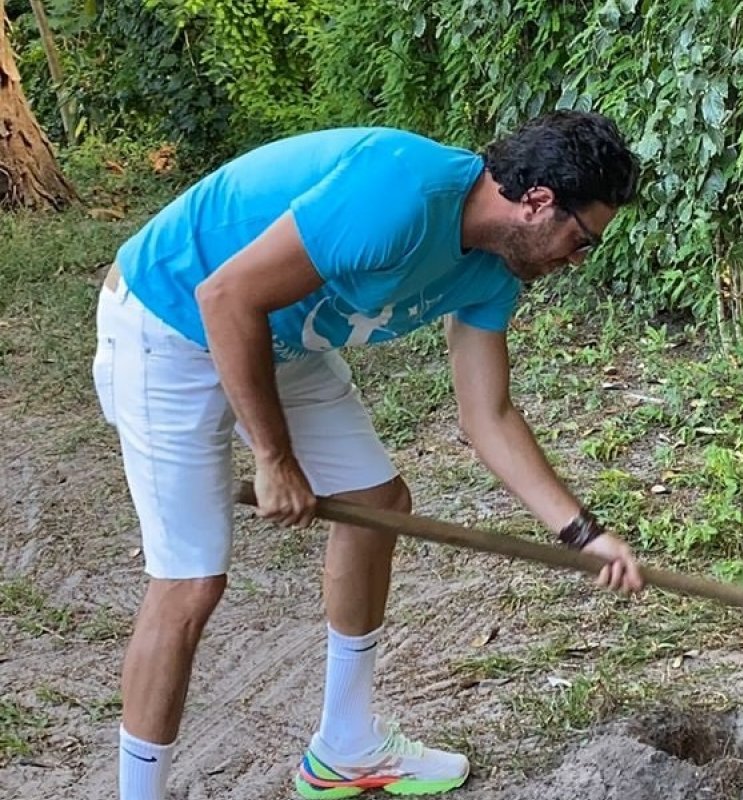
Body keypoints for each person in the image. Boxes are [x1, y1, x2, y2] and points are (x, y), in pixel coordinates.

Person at [91, 110, 646, 800]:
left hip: (281, 342)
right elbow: (225, 294)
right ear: (537, 203)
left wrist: (582, 534)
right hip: (168, 321)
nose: (577, 259)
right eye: (581, 238)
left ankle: (344, 748)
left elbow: (489, 415)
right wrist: (274, 456)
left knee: (375, 504)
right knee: (190, 582)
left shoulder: (495, 271)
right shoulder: (401, 194)